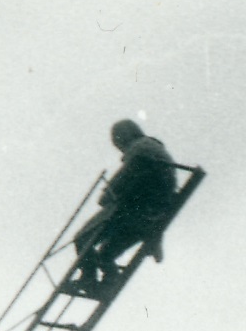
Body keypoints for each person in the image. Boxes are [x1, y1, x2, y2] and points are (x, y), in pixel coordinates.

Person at [69, 120, 180, 295]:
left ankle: (89, 278)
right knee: (106, 253)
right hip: (152, 217)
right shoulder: (155, 149)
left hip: (132, 211)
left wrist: (108, 193)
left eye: (118, 143)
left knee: (82, 238)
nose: (120, 149)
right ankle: (108, 283)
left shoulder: (140, 148)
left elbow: (125, 177)